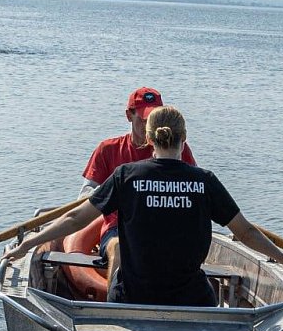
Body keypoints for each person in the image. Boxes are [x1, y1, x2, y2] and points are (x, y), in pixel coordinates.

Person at [4, 105, 283, 306]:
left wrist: (25, 245)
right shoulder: (204, 181)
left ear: (149, 138)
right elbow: (247, 233)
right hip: (190, 299)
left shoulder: (126, 176)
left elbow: (75, 219)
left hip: (133, 297)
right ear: (184, 138)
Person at [78, 87, 196, 284]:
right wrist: (112, 192)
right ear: (128, 116)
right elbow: (84, 195)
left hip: (166, 228)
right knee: (118, 248)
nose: (150, 125)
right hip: (118, 228)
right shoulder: (108, 149)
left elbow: (196, 193)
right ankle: (116, 307)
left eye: (156, 119)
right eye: (143, 120)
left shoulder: (178, 149)